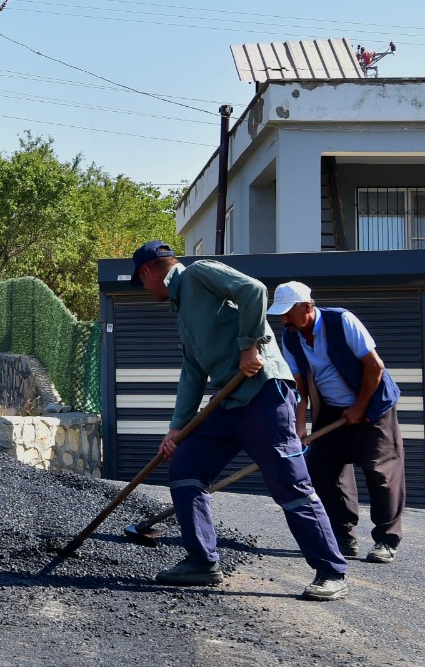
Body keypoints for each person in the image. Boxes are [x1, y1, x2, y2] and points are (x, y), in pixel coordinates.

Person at [131, 241, 349, 601]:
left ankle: (331, 570)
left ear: (148, 272)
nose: (145, 290)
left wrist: (250, 346)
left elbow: (253, 290)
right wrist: (177, 427)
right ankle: (203, 562)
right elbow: (193, 371)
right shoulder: (181, 308)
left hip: (263, 394)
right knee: (186, 467)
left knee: (289, 485)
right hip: (226, 401)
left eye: (142, 283)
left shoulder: (200, 273)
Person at [269, 281, 404, 564]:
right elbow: (299, 386)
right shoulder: (291, 337)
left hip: (372, 405)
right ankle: (343, 536)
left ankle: (386, 540)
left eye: (287, 313)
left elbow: (374, 366)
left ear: (307, 307)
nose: (283, 320)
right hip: (330, 409)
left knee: (380, 472)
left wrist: (359, 406)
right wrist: (300, 424)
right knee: (323, 469)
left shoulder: (342, 321)